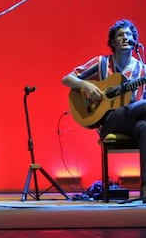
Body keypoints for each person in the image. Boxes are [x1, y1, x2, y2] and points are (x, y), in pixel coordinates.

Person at [62, 19, 146, 198]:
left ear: (134, 40)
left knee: (145, 127)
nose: (125, 38)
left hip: (134, 121)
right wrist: (86, 85)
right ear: (113, 42)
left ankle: (145, 188)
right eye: (120, 35)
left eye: (129, 35)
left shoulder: (142, 69)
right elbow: (67, 79)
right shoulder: (101, 62)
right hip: (109, 121)